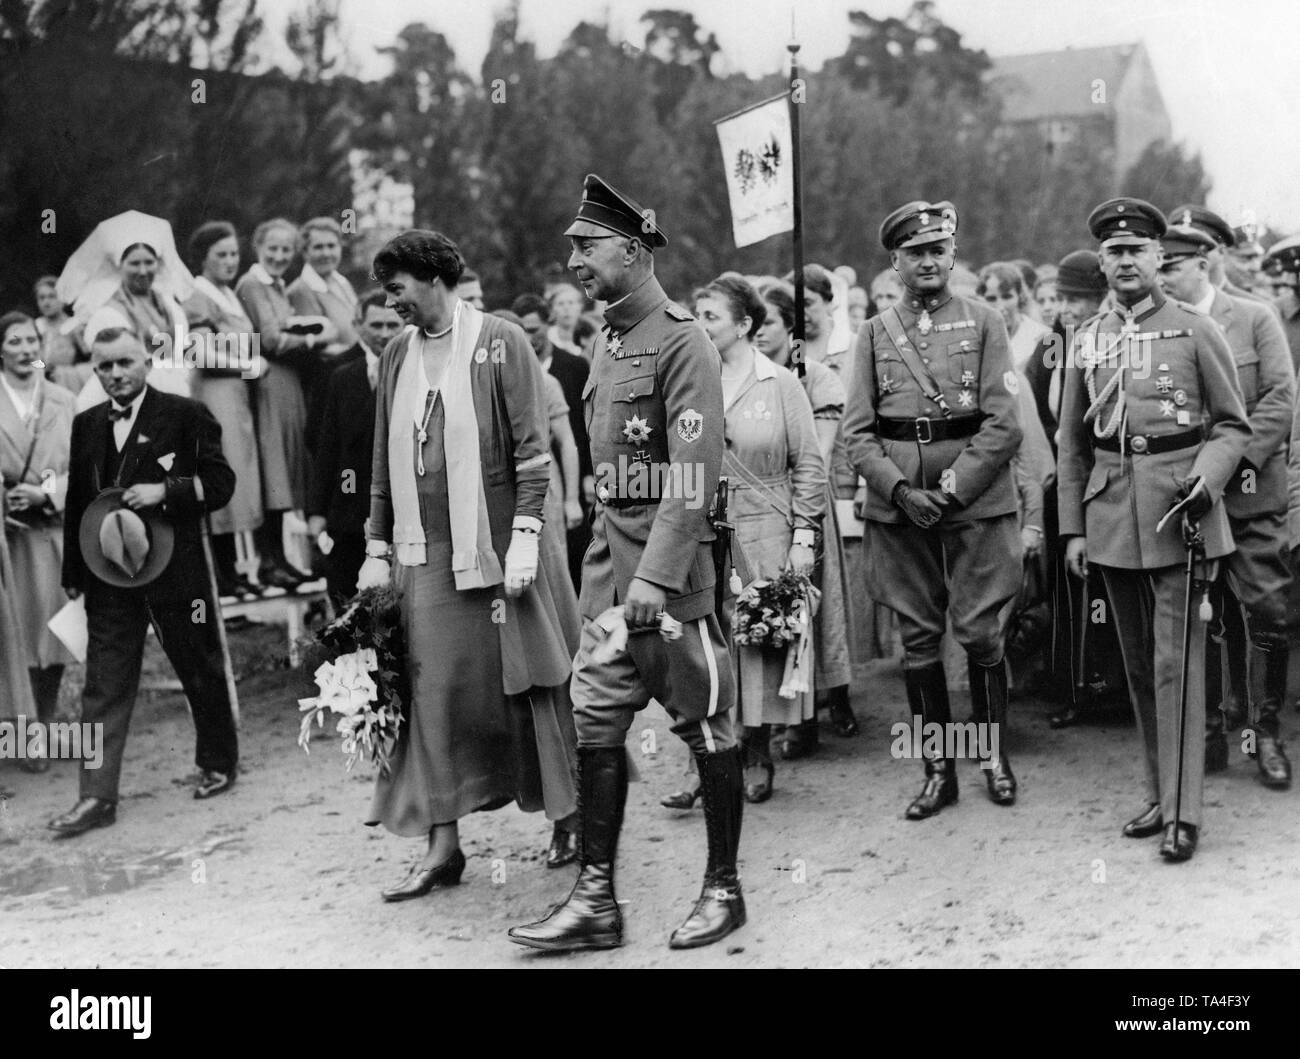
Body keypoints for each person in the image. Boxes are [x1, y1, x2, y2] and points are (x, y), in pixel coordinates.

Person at [509, 174, 744, 953]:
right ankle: (597, 899)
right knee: (596, 723)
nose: (574, 257)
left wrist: (656, 578)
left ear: (634, 249)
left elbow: (693, 469)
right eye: (572, 244)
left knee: (705, 724)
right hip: (612, 578)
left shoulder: (682, 339)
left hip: (669, 584)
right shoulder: (610, 341)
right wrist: (612, 578)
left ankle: (723, 887)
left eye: (587, 244)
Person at [359, 229, 580, 899]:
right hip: (424, 555)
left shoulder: (500, 340)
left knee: (530, 679)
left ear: (432, 278)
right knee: (431, 691)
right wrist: (374, 546)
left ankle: (569, 814)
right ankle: (443, 843)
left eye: (396, 288)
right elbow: (379, 461)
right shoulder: (397, 353)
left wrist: (523, 538)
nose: (390, 301)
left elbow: (534, 453)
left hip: (500, 548)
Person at [1057, 198, 1251, 863]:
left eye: (1138, 250)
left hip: (1179, 512)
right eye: (1114, 252)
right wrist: (1072, 531)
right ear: (1103, 262)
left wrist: (1209, 474)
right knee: (1138, 665)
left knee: (1178, 662)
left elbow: (1232, 425)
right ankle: (1159, 793)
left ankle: (1184, 813)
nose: (1126, 261)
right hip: (1112, 511)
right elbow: (1070, 444)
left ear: (1158, 257)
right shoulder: (1086, 337)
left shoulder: (1195, 329)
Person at [842, 200, 1022, 819]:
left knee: (980, 631)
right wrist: (898, 490)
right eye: (914, 252)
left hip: (972, 501)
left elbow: (1004, 423)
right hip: (900, 507)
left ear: (952, 255)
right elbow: (857, 433)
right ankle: (937, 767)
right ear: (895, 263)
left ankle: (992, 756)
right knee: (918, 638)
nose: (928, 260)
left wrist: (951, 490)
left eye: (937, 250)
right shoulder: (871, 335)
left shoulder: (985, 322)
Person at [51, 319, 239, 836]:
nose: (115, 374)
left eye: (124, 363)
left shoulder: (185, 414)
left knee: (196, 664)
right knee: (103, 685)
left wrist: (167, 491)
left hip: (175, 571)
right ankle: (95, 797)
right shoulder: (87, 423)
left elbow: (221, 483)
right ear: (96, 371)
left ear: (147, 361)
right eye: (105, 366)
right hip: (107, 575)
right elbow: (77, 505)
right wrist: (73, 572)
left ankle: (219, 760)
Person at [1158, 220, 1294, 787]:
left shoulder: (1255, 317)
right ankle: (1210, 733)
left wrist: (1227, 464)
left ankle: (1264, 734)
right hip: (1189, 496)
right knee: (1198, 616)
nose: (1160, 275)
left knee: (1268, 611)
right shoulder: (1161, 331)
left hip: (1248, 490)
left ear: (1205, 262)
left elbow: (1280, 400)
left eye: (1171, 265)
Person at [753, 280, 858, 750]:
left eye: (769, 321)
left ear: (789, 326)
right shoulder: (741, 378)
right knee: (767, 606)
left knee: (814, 604)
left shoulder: (815, 378)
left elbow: (816, 453)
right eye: (753, 321)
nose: (758, 330)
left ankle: (823, 706)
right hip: (757, 512)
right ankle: (777, 711)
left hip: (803, 508)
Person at [1023, 250, 1125, 725]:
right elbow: (1034, 414)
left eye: (1077, 300)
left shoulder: (1114, 341)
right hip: (1060, 482)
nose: (1066, 309)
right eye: (1062, 299)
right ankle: (1068, 687)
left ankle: (1113, 687)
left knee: (1107, 585)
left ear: (1100, 298)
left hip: (1103, 481)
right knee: (1064, 587)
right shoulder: (1049, 347)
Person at [239, 217, 336, 589]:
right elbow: (271, 339)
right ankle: (269, 560)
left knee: (287, 466)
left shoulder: (276, 285)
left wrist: (301, 328)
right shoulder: (252, 283)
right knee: (273, 466)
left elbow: (285, 328)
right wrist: (313, 339)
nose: (279, 256)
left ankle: (281, 557)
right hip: (269, 380)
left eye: (286, 250)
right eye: (272, 249)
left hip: (287, 382)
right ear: (258, 249)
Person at [1, 312, 77, 771]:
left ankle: (44, 724)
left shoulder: (62, 400)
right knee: (18, 635)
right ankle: (22, 730)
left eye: (32, 339)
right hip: (10, 540)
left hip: (54, 531)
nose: (27, 349)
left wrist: (47, 492)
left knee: (55, 634)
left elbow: (88, 469)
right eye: (15, 341)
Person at [182, 221, 267, 599]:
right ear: (203, 259)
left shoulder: (228, 294)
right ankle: (222, 574)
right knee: (223, 471)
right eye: (222, 255)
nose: (231, 261)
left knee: (241, 477)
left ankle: (239, 569)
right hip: (214, 392)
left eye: (234, 253)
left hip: (236, 394)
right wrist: (248, 366)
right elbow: (200, 351)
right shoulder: (198, 295)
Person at [307, 291, 402, 607]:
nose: (385, 333)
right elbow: (325, 446)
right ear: (359, 325)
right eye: (377, 325)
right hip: (348, 510)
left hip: (398, 510)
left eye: (393, 324)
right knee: (346, 598)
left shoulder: (414, 371)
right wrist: (317, 512)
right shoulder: (342, 376)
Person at [56, 210, 195, 407]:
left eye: (149, 262)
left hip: (174, 391)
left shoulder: (170, 306)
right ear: (119, 265)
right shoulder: (108, 313)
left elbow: (182, 353)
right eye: (134, 263)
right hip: (129, 397)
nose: (143, 271)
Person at [513, 292, 592, 589]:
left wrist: (587, 474)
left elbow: (583, 427)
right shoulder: (514, 370)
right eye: (522, 331)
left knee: (572, 553)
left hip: (568, 470)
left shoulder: (573, 366)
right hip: (536, 472)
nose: (528, 337)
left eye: (533, 330)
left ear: (547, 324)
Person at [1167, 205, 1275, 310]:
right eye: (1245, 258)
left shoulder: (1258, 309)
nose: (1256, 267)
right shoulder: (1166, 301)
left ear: (1221, 251)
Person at [978, 262, 1050, 372]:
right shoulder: (975, 339)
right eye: (991, 299)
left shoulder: (1041, 336)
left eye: (1007, 297)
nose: (1000, 306)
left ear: (1020, 296)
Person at [33, 276, 89, 394]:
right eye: (41, 298)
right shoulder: (36, 326)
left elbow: (90, 357)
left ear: (62, 299)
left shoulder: (72, 325)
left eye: (52, 296)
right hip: (38, 381)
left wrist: (68, 372)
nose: (46, 302)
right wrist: (40, 367)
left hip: (67, 384)